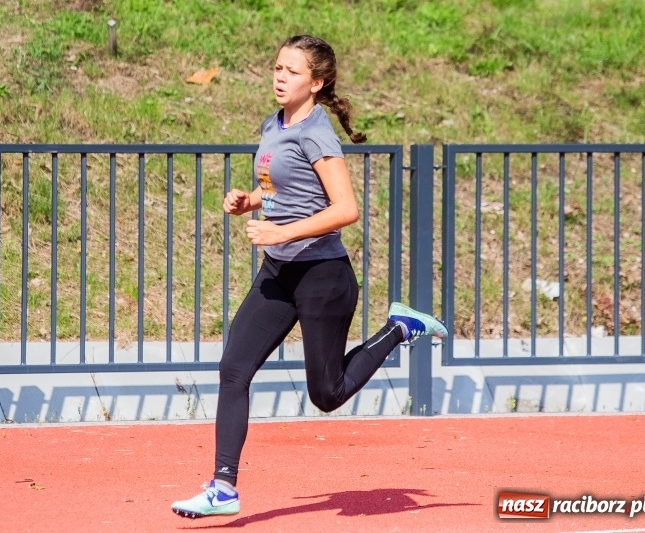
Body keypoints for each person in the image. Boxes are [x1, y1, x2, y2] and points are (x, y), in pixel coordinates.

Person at [171, 34, 448, 519]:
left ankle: (401, 327)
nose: (280, 77)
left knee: (328, 394)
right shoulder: (272, 125)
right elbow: (280, 190)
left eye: (292, 71)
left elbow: (346, 209)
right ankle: (223, 486)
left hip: (323, 277)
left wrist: (280, 232)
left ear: (316, 83)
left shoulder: (318, 133)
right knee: (233, 369)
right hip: (279, 274)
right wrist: (249, 201)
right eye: (277, 67)